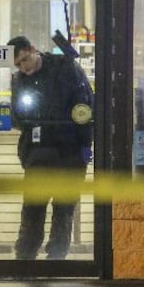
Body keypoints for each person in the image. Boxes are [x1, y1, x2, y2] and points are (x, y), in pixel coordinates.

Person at [7, 36, 93, 260]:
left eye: (25, 60)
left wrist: (85, 144)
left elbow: (85, 107)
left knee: (63, 212)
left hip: (70, 150)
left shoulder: (65, 68)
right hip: (39, 152)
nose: (24, 68)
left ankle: (55, 261)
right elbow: (17, 118)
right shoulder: (20, 80)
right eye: (18, 64)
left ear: (33, 49)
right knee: (33, 209)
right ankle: (24, 259)